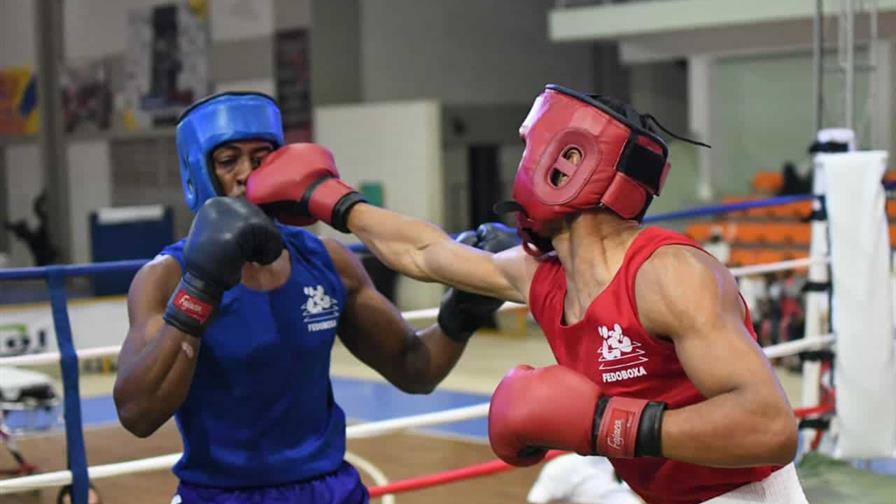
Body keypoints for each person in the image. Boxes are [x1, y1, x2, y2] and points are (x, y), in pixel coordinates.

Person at [245, 84, 808, 503]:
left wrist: (606, 424)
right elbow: (424, 252)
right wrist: (334, 200)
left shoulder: (669, 274)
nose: (521, 165)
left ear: (568, 163)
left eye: (530, 149)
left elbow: (769, 427)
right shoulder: (541, 274)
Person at [112, 92, 515, 504]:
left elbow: (415, 368)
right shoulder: (167, 276)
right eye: (228, 160)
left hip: (328, 490)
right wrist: (200, 289)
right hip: (221, 496)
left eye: (261, 158)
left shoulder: (326, 261)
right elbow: (137, 414)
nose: (246, 174)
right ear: (199, 171)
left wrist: (461, 313)